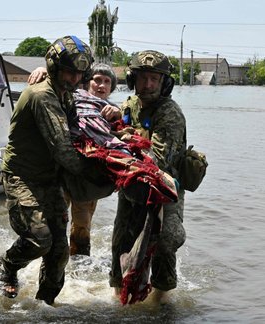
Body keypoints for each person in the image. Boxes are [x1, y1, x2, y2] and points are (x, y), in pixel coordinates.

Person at [0, 35, 93, 305]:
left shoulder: (66, 96)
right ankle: (8, 266)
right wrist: (99, 175)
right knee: (40, 239)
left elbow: (80, 130)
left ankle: (45, 305)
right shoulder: (43, 96)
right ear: (54, 67)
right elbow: (63, 150)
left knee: (60, 251)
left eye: (79, 74)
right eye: (69, 72)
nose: (74, 79)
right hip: (22, 177)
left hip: (49, 180)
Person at [108, 50, 187, 304]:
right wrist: (111, 120)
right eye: (143, 78)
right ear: (133, 80)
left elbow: (160, 161)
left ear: (165, 83)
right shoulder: (129, 105)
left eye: (155, 78)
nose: (149, 84)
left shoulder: (170, 113)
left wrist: (128, 139)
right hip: (133, 188)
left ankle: (161, 303)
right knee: (121, 240)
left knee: (165, 244)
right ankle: (119, 297)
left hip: (164, 191)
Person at [28, 62, 120, 257]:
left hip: (87, 178)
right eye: (97, 80)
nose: (101, 85)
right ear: (87, 82)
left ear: (112, 88)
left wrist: (118, 115)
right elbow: (52, 88)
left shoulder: (112, 110)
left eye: (107, 82)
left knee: (82, 227)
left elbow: (126, 133)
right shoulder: (70, 98)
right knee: (52, 222)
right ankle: (48, 263)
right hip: (60, 172)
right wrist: (42, 70)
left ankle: (79, 272)